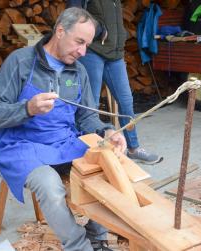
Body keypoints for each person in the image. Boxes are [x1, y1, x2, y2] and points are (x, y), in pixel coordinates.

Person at [0, 7, 126, 251]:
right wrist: (27, 108)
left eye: (87, 45)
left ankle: (97, 238)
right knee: (50, 187)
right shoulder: (20, 61)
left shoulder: (78, 70)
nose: (83, 52)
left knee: (110, 167)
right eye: (79, 42)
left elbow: (87, 118)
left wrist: (107, 132)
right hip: (21, 146)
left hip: (64, 143)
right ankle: (79, 247)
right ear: (60, 31)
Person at [67, 0, 163, 164]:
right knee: (91, 105)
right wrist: (99, 31)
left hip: (115, 54)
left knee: (126, 101)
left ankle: (133, 148)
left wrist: (121, 35)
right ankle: (92, 152)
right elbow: (73, 15)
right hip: (92, 52)